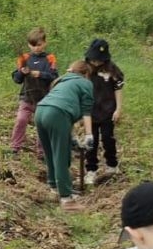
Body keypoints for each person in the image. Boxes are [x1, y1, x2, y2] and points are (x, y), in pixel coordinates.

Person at [33, 59, 95, 211]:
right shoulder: (86, 83)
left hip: (40, 111)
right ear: (85, 73)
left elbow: (65, 111)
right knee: (61, 156)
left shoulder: (61, 81)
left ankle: (55, 188)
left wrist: (72, 137)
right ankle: (66, 199)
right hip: (57, 114)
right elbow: (86, 111)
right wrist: (88, 135)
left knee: (50, 152)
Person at [10, 27, 58, 156]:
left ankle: (42, 151)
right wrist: (22, 72)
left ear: (44, 43)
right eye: (33, 45)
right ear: (29, 45)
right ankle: (15, 147)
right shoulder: (24, 58)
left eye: (39, 45)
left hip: (43, 98)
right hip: (27, 96)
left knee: (41, 124)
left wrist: (40, 74)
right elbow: (16, 79)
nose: (36, 48)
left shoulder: (50, 58)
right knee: (21, 120)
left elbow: (53, 76)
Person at [84, 37, 125, 187]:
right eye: (93, 60)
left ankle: (112, 166)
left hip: (108, 111)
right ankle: (91, 169)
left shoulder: (112, 70)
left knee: (108, 139)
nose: (95, 63)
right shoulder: (85, 70)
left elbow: (118, 88)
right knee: (91, 141)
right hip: (90, 113)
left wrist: (118, 109)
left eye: (99, 60)